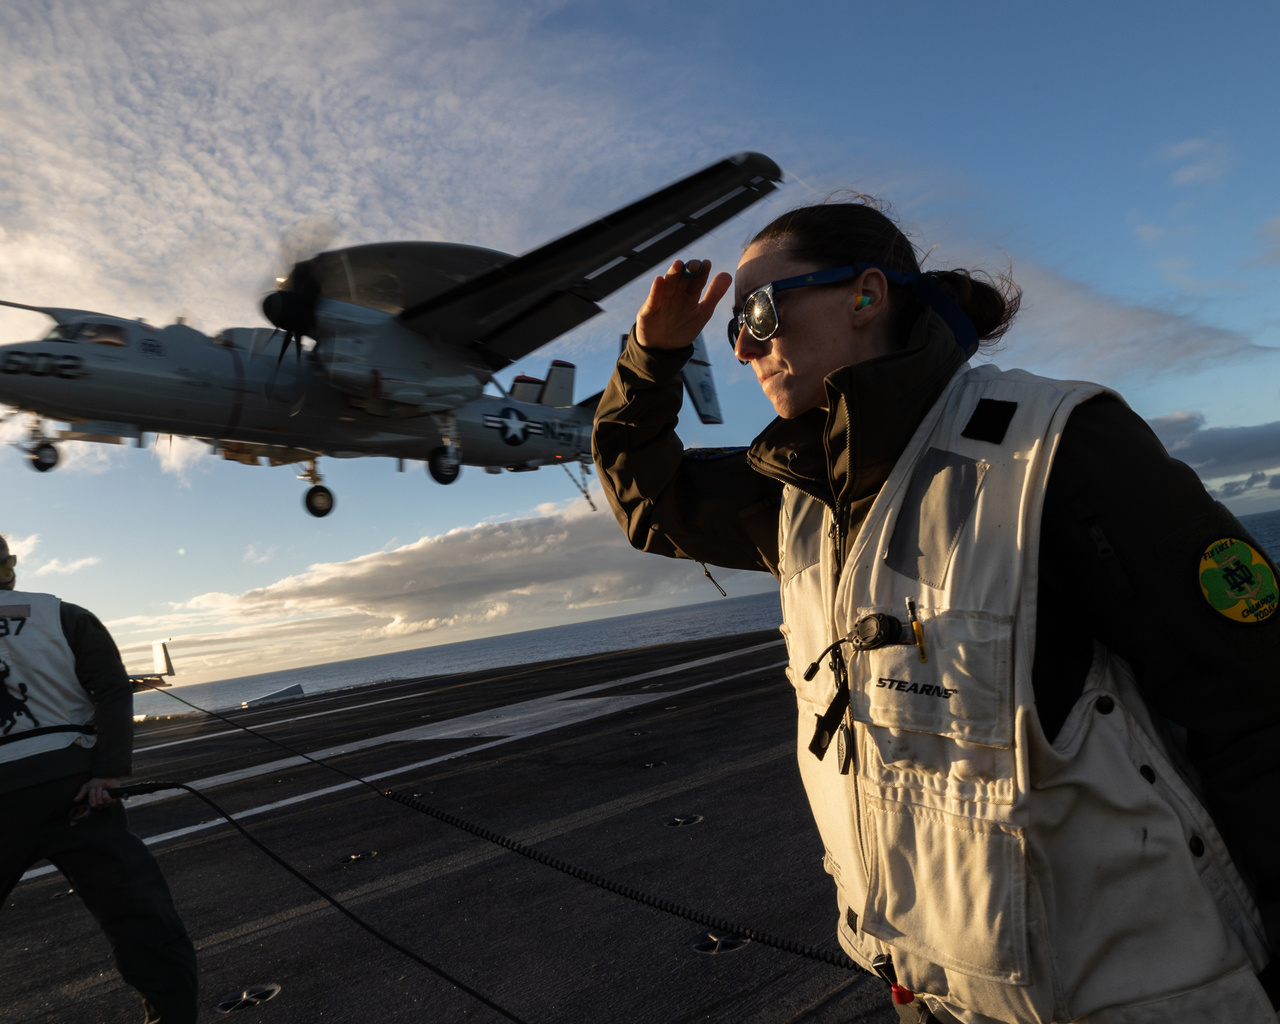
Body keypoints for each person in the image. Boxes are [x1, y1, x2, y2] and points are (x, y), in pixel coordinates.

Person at [592, 199, 1279, 1024]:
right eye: (734, 326)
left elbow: (1256, 703)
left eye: (762, 311)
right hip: (935, 999)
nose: (743, 346)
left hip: (1140, 998)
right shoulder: (795, 497)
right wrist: (653, 356)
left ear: (865, 296)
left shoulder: (1051, 446)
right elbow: (647, 497)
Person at [0, 534, 197, 1023]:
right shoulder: (61, 614)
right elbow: (112, 690)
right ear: (9, 567)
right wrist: (108, 774)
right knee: (142, 919)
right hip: (75, 793)